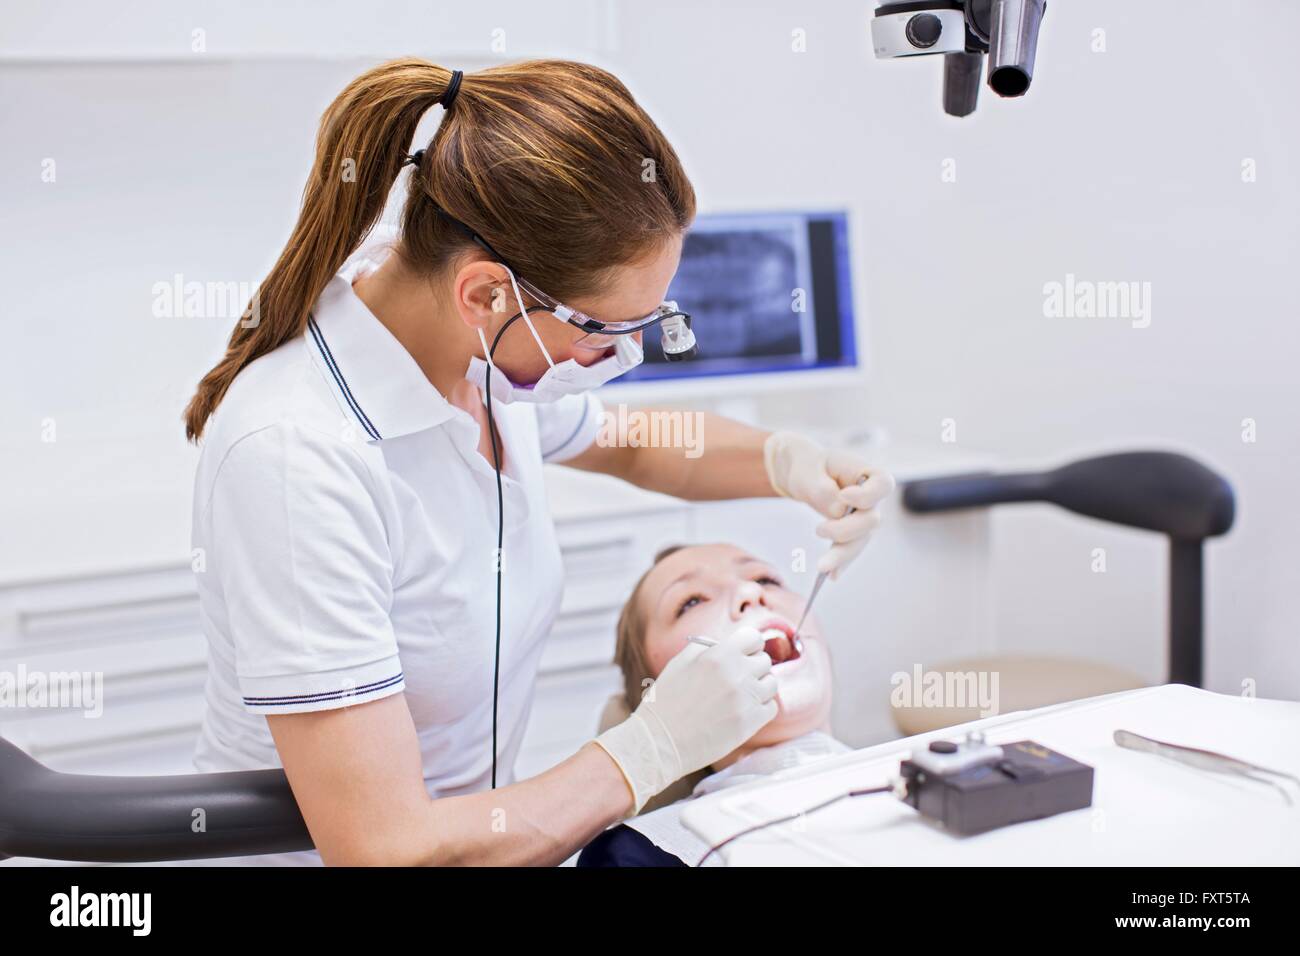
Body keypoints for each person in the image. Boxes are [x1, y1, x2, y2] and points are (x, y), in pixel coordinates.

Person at [183, 58, 894, 865]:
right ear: (485, 294)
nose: (621, 356)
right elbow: (383, 851)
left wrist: (788, 461)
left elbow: (632, 442)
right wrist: (646, 752)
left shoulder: (468, 344)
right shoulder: (298, 460)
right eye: (602, 330)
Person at [579, 543, 849, 866]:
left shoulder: (903, 772)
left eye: (766, 579)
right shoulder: (631, 855)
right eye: (691, 602)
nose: (750, 592)